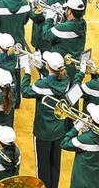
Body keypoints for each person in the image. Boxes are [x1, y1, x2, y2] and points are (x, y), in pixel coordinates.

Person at [21, 51, 70, 188]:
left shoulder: (42, 84)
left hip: (43, 131)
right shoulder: (66, 80)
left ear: (49, 66)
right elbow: (53, 78)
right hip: (59, 130)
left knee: (42, 167)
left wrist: (27, 72)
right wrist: (41, 67)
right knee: (55, 165)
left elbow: (25, 91)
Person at [43, 0, 87, 78]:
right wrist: (62, 13)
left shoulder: (64, 28)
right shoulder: (83, 23)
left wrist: (49, 19)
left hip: (61, 69)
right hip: (74, 67)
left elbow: (46, 35)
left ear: (69, 11)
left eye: (67, 9)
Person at [61, 103, 99, 188]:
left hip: (81, 182)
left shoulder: (84, 139)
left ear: (92, 120)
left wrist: (76, 128)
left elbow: (64, 144)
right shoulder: (87, 138)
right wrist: (86, 130)